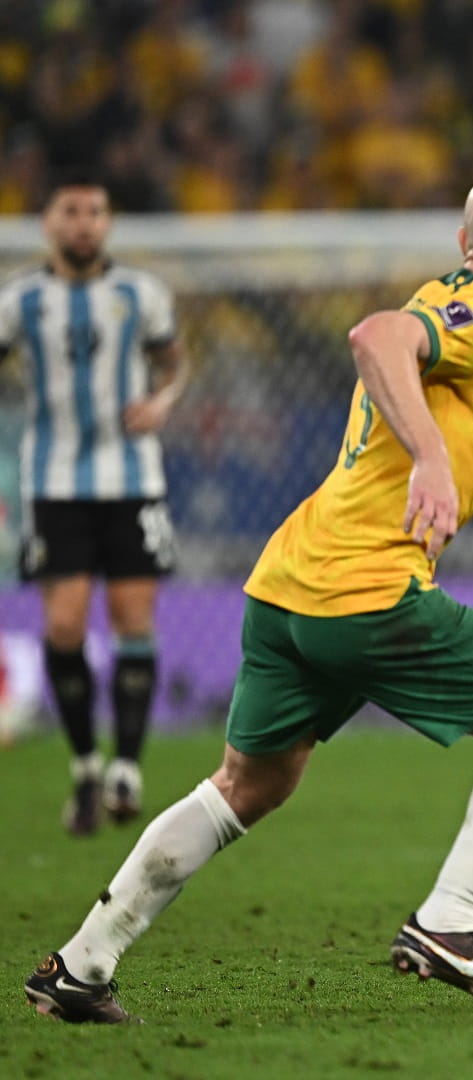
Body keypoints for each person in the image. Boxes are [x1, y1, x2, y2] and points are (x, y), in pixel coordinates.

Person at [24, 168, 473, 1023]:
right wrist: (431, 458)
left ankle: (81, 964)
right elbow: (373, 337)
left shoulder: (460, 312)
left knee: (247, 784)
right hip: (367, 589)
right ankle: (450, 921)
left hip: (287, 585)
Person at [0, 173, 189, 834]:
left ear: (107, 221)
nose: (84, 223)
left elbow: (173, 362)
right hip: (52, 483)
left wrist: (163, 401)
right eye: (70, 210)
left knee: (135, 620)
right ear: (48, 221)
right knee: (64, 628)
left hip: (134, 479)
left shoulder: (141, 293)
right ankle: (84, 763)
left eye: (95, 211)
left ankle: (126, 768)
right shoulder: (19, 300)